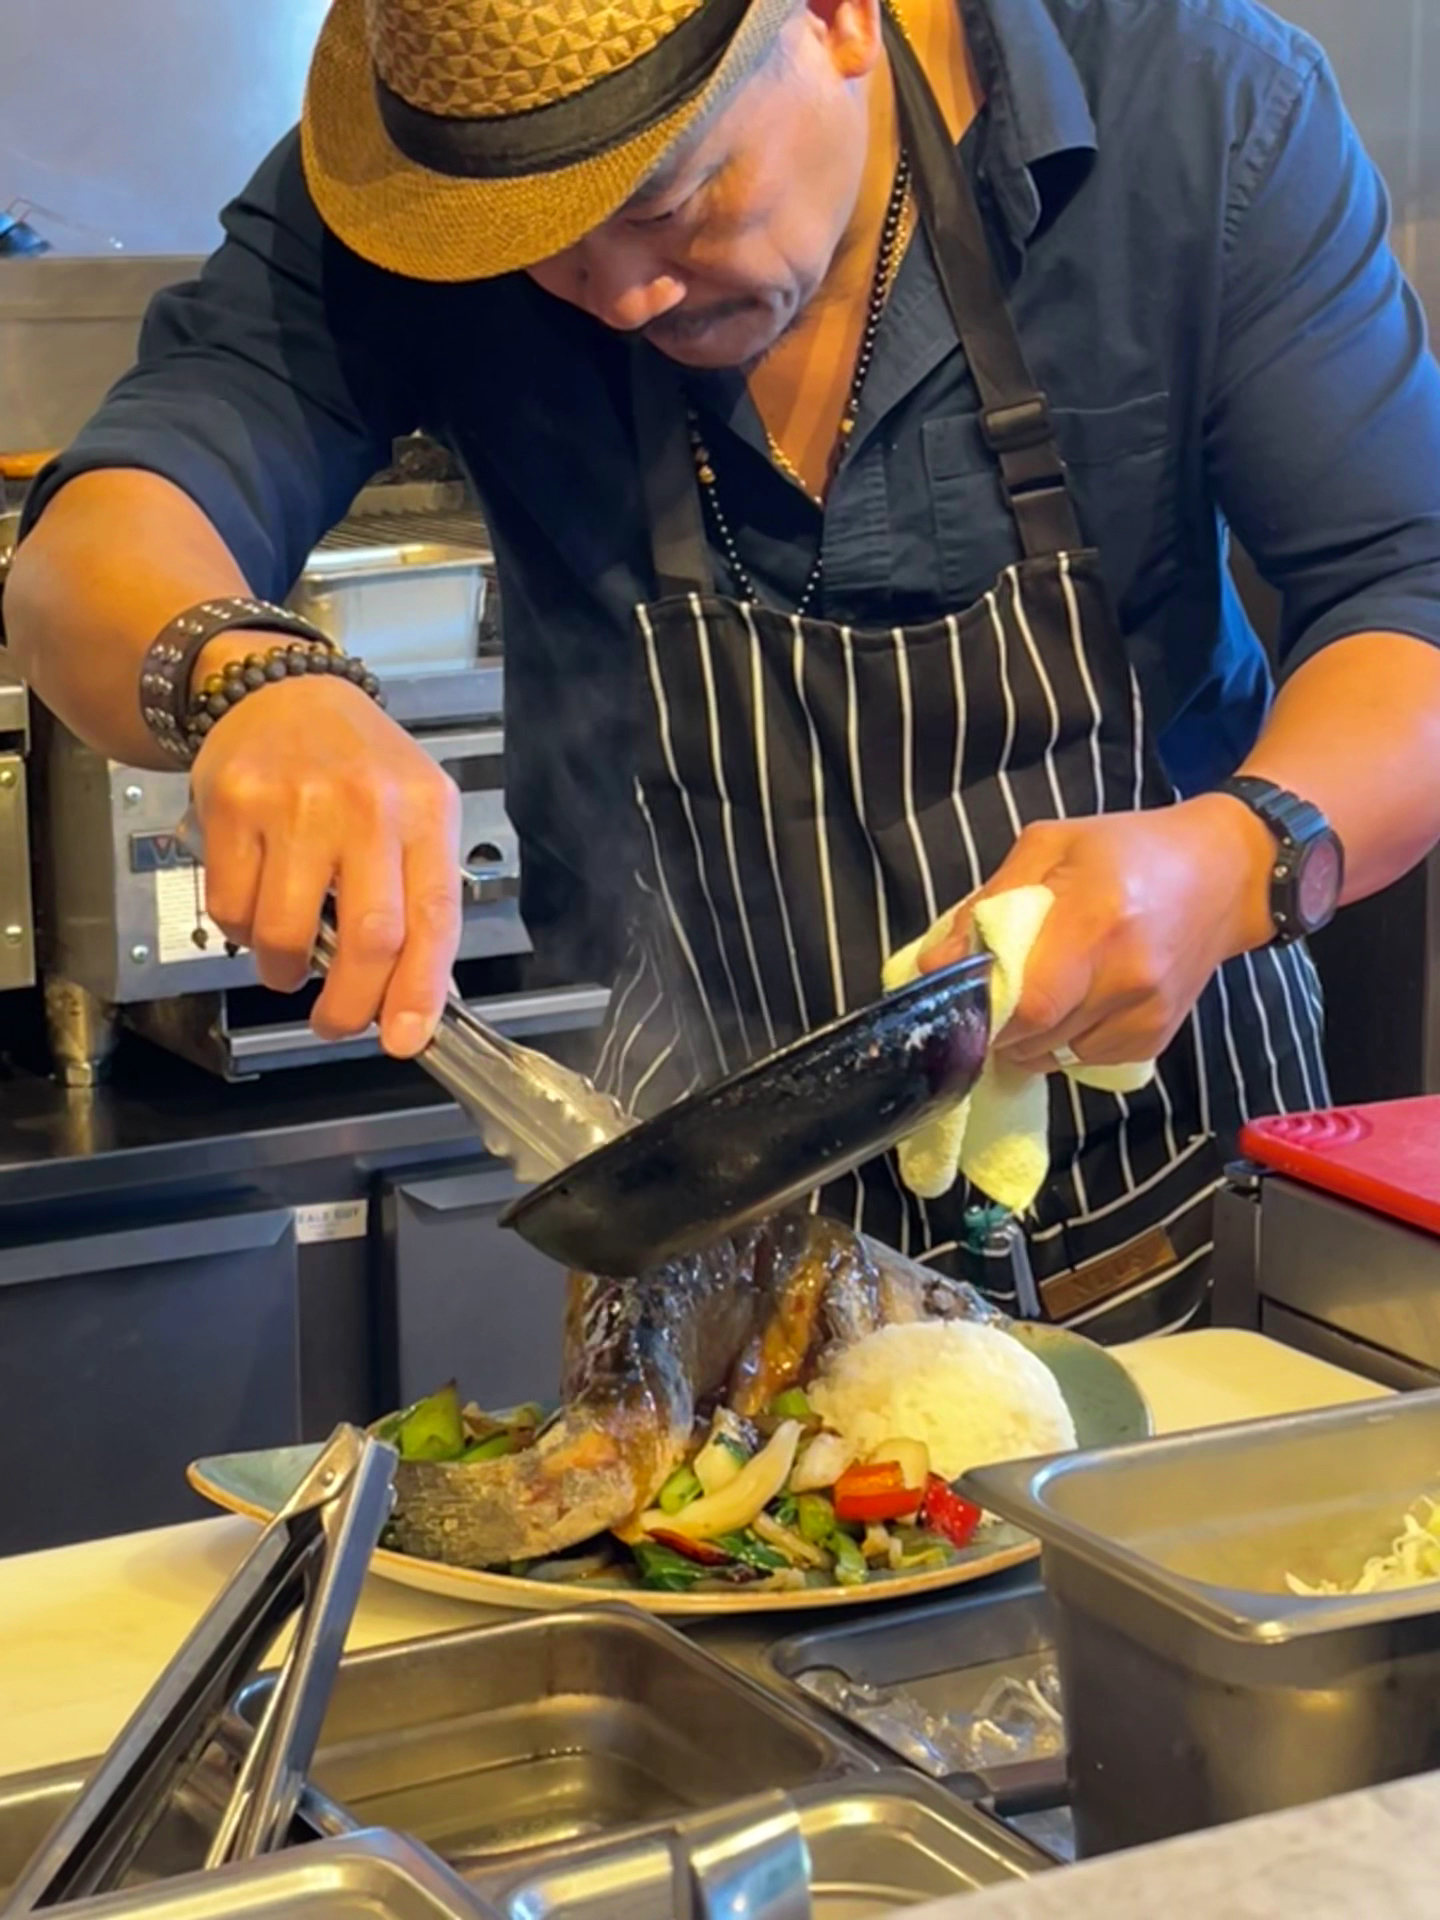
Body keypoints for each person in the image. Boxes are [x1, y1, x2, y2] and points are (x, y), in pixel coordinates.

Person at [9, 0, 1440, 1340]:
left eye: (664, 199)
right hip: (707, 1278)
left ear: (834, 16)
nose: (619, 294)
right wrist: (247, 680)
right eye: (544, 246)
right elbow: (95, 540)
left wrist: (1232, 858)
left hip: (1184, 1205)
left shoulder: (1197, 111)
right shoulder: (439, 176)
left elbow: (1411, 594)